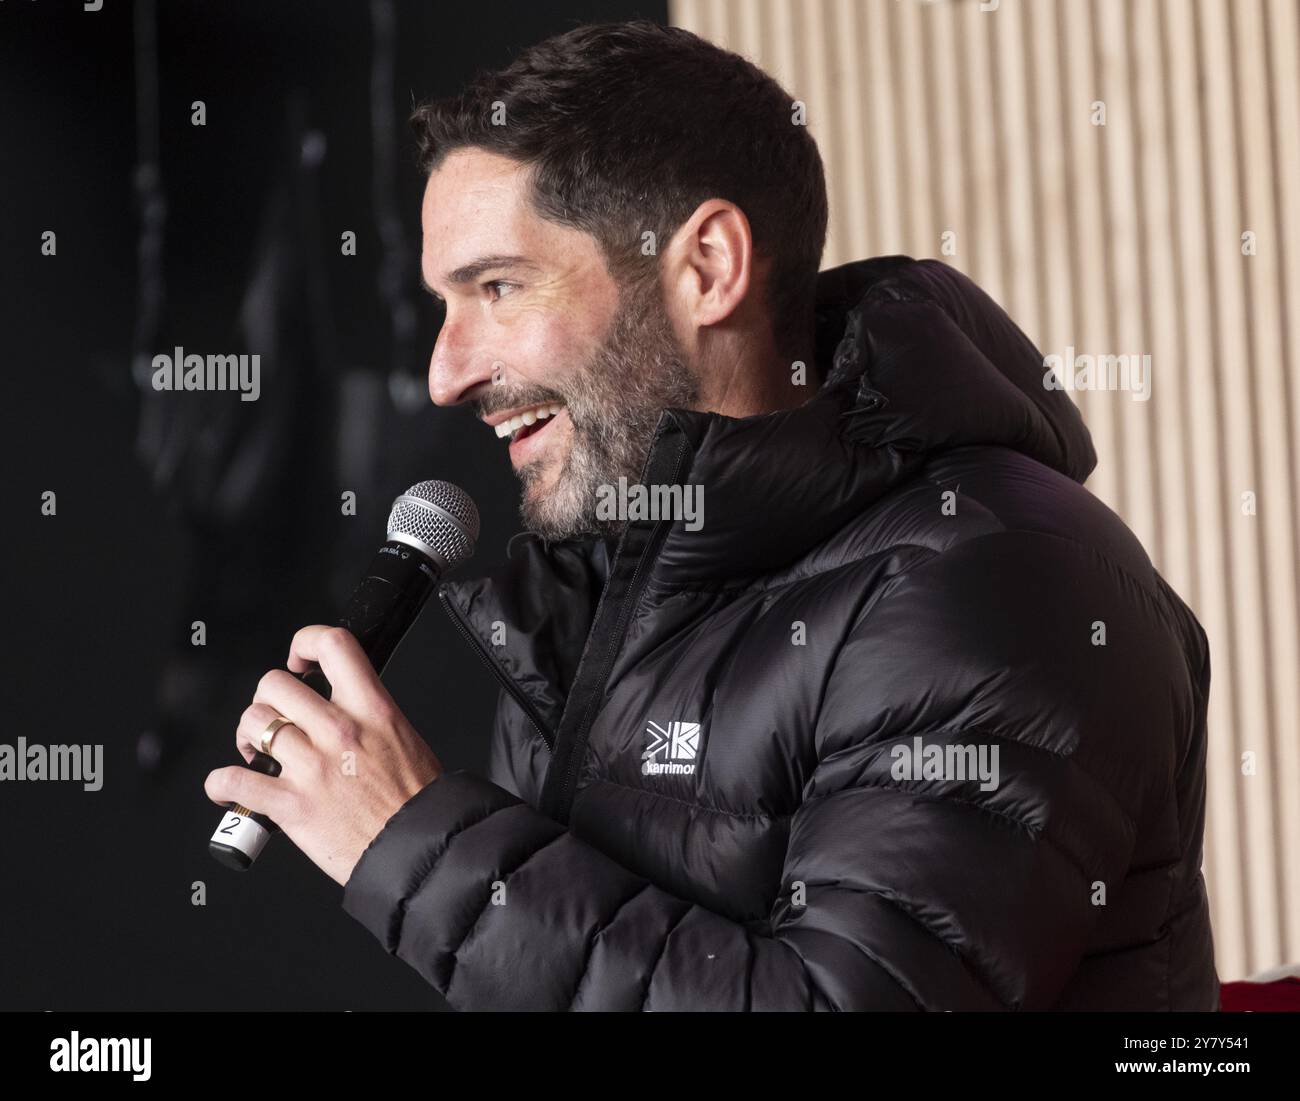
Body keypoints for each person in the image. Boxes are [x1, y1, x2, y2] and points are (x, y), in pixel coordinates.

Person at [204, 20, 1219, 1010]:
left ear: (706, 268)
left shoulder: (998, 580)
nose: (443, 373)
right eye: (444, 305)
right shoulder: (592, 591)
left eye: (499, 287)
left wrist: (416, 844)